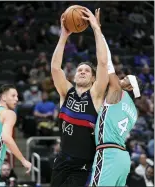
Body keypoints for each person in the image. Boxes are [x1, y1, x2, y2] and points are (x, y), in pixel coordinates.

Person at [50, 7, 109, 187]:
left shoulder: (96, 94)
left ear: (93, 78)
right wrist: (63, 36)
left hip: (83, 164)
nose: (82, 72)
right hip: (61, 160)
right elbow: (55, 68)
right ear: (74, 76)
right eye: (79, 70)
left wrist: (96, 29)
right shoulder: (66, 92)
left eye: (86, 71)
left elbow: (103, 63)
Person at [88, 9, 143, 187]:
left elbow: (106, 61)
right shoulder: (134, 111)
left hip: (108, 154)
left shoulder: (118, 92)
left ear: (128, 86)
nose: (122, 77)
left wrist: (98, 30)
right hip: (123, 159)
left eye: (126, 78)